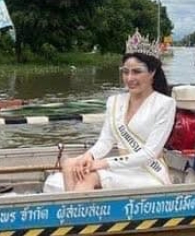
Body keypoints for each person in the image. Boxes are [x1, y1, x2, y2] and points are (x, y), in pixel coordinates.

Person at [62, 31, 176, 192]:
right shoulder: (115, 102)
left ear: (152, 73)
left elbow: (150, 153)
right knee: (71, 165)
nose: (129, 78)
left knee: (87, 176)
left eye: (137, 72)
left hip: (148, 172)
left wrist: (102, 163)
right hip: (122, 168)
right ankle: (75, 211)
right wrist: (89, 156)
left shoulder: (165, 104)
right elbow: (105, 141)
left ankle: (73, 214)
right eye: (125, 72)